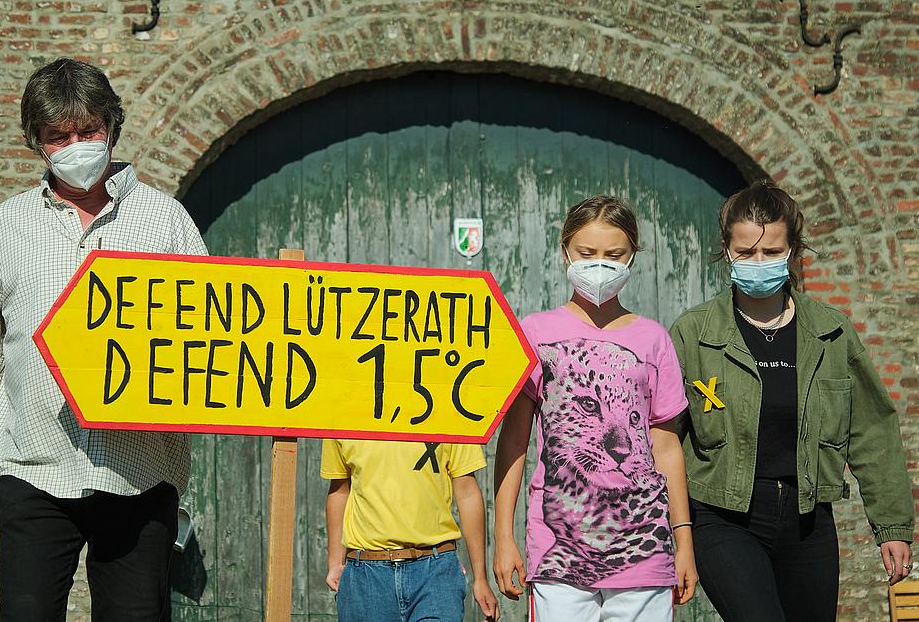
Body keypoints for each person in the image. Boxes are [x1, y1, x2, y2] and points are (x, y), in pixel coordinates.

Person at [0, 58, 208, 621]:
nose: (75, 146)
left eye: (87, 131)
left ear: (111, 127)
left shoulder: (167, 223)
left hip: (138, 474)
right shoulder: (5, 226)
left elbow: (211, 343)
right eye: (58, 136)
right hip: (35, 470)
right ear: (37, 143)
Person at [669, 180, 914, 622]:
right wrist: (673, 530)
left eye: (770, 252)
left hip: (807, 518)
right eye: (746, 253)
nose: (758, 263)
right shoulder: (694, 333)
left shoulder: (832, 334)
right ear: (726, 251)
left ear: (793, 251)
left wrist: (892, 527)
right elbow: (664, 441)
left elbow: (873, 431)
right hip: (723, 516)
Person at [493, 196, 697, 621]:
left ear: (632, 257)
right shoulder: (535, 333)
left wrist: (684, 542)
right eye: (587, 253)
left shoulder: (654, 339)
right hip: (557, 550)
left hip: (646, 551)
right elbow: (513, 441)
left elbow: (667, 448)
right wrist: (504, 534)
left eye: (614, 254)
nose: (600, 264)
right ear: (565, 251)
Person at [323, 439, 500, 621]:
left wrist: (480, 577)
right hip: (367, 574)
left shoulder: (450, 413)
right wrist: (335, 562)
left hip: (436, 571)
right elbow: (339, 489)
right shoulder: (344, 415)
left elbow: (467, 491)